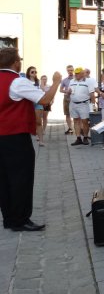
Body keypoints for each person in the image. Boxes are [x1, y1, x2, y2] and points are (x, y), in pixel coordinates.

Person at [0, 48, 61, 231]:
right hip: (15, 136)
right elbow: (44, 100)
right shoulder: (17, 81)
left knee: (4, 179)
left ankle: (9, 218)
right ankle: (20, 219)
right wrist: (56, 82)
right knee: (21, 177)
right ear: (16, 63)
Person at [67, 67, 96, 146]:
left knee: (85, 121)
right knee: (75, 120)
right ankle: (78, 138)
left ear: (82, 74)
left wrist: (93, 105)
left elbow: (92, 94)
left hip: (84, 104)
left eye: (78, 73)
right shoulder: (72, 81)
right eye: (75, 73)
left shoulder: (88, 82)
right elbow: (68, 92)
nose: (76, 75)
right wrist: (68, 92)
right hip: (73, 104)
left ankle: (85, 137)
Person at [26, 66, 44, 146]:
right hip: (28, 103)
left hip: (37, 103)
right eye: (32, 72)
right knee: (28, 121)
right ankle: (28, 139)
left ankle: (41, 140)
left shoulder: (38, 81)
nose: (34, 73)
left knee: (38, 122)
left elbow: (42, 91)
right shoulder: (25, 82)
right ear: (28, 73)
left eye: (35, 72)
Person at [60, 65, 74, 134]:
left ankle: (79, 129)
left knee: (76, 114)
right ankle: (70, 128)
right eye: (68, 70)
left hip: (75, 98)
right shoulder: (64, 80)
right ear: (67, 71)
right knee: (67, 114)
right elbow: (60, 90)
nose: (70, 72)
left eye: (71, 70)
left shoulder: (77, 79)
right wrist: (66, 91)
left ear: (73, 70)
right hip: (67, 98)